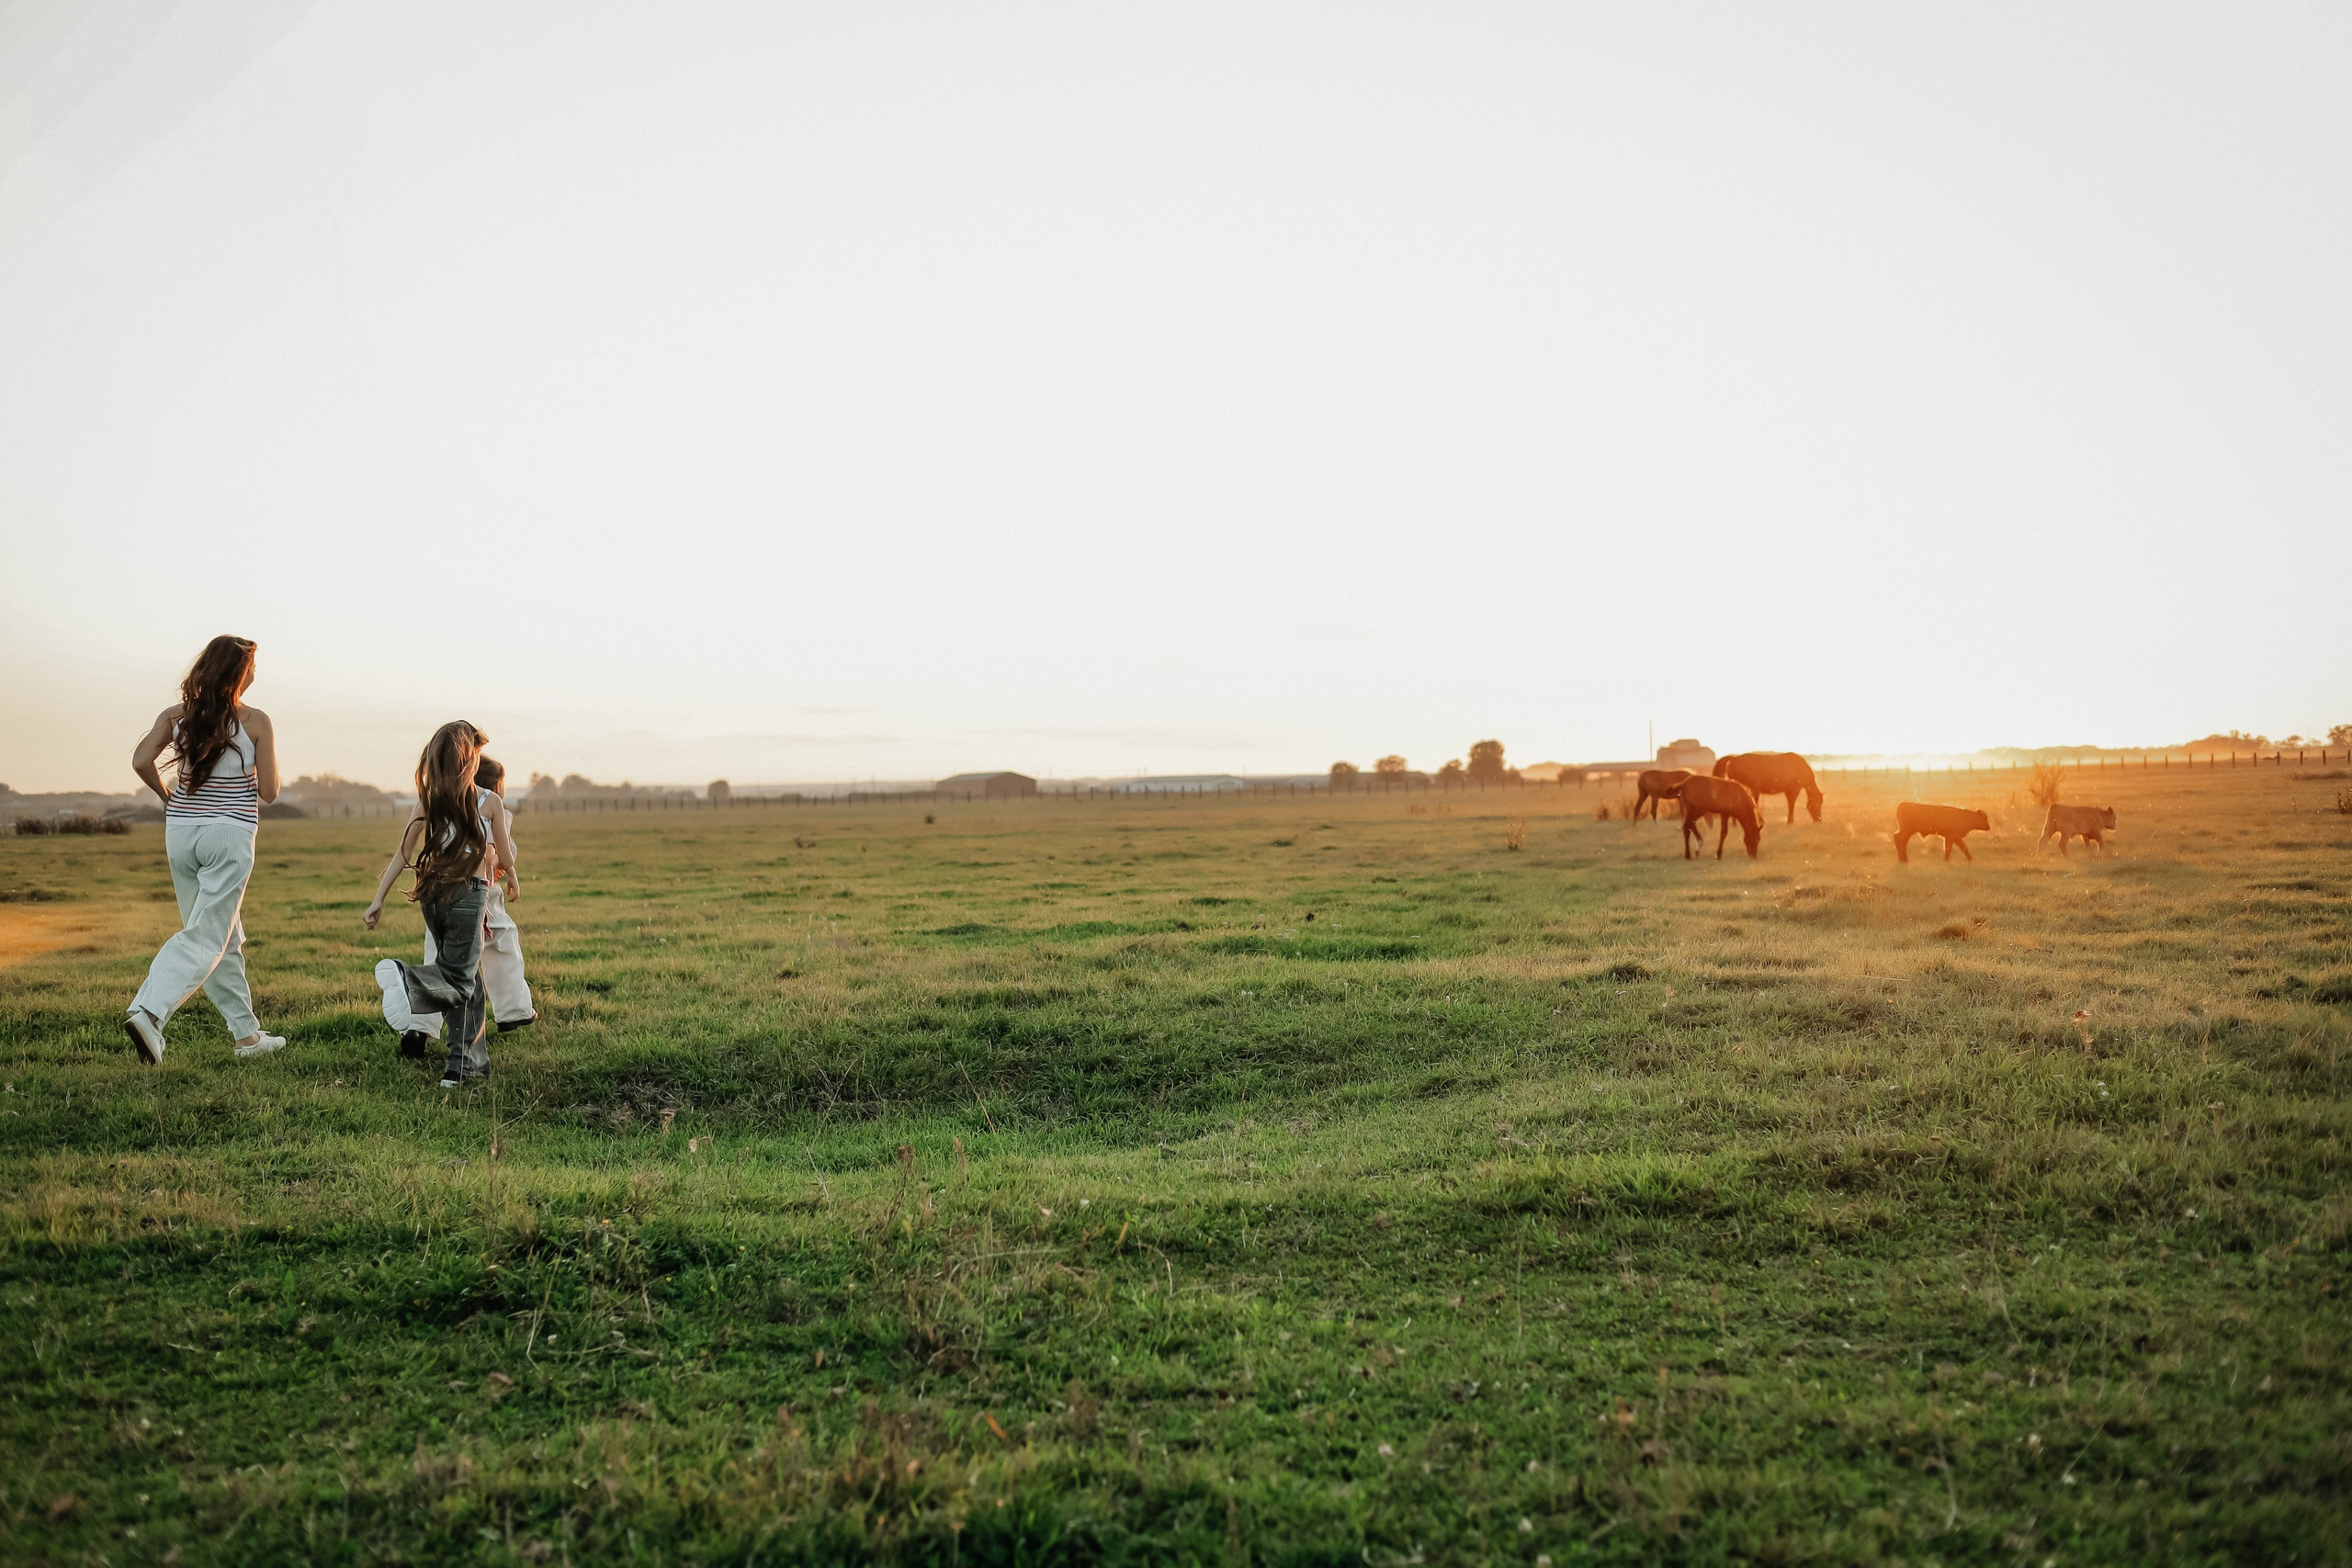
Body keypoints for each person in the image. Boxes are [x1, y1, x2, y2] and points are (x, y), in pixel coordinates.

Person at [123, 636, 287, 1064]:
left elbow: (142, 760)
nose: (255, 673)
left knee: (224, 934)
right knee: (208, 934)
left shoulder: (177, 716)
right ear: (237, 673)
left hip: (180, 832)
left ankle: (246, 1037)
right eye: (252, 666)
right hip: (229, 834)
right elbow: (269, 792)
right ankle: (149, 1013)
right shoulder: (255, 721)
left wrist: (166, 796)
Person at [360, 722, 521, 1089]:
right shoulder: (488, 801)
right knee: (458, 977)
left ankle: (466, 1063)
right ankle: (409, 981)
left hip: (431, 896)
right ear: (470, 759)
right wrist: (510, 873)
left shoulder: (427, 801)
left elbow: (403, 855)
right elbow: (504, 856)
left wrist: (378, 899)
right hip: (468, 895)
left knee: (468, 978)